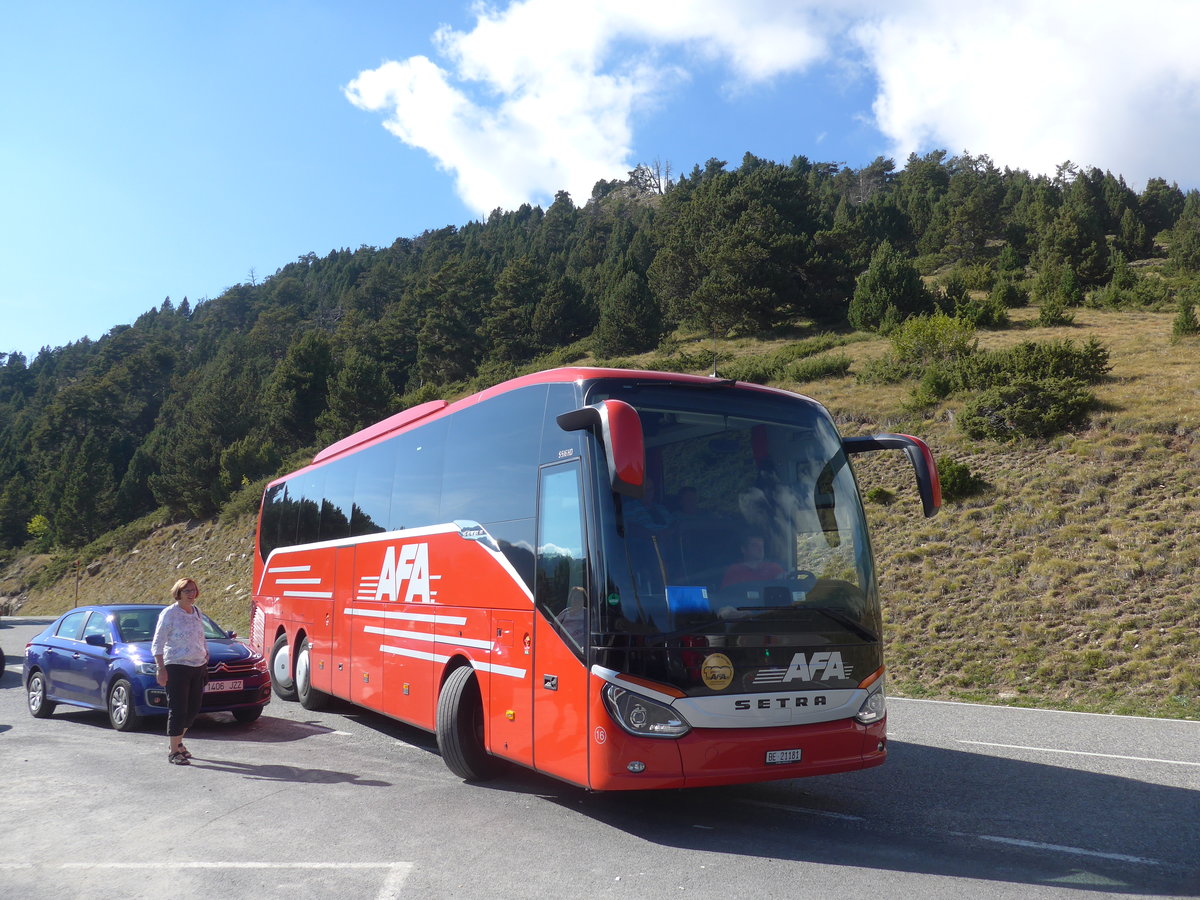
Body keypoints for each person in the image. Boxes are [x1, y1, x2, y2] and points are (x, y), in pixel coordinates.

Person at [151, 577, 210, 766]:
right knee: (178, 709)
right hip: (176, 666)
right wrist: (160, 668)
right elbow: (158, 642)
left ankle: (178, 742)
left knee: (193, 709)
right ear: (178, 593)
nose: (191, 594)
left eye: (193, 590)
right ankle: (174, 751)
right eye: (187, 591)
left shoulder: (196, 611)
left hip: (198, 665)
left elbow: (200, 636)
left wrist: (205, 653)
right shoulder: (169, 613)